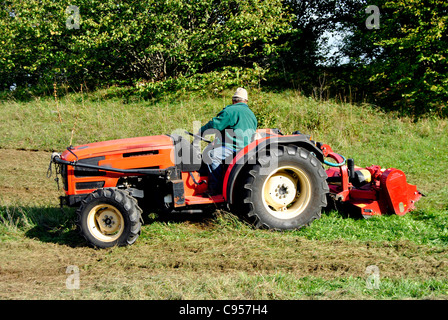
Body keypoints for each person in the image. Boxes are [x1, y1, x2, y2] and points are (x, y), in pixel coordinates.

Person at [197, 87, 257, 194]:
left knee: (211, 155)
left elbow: (214, 125)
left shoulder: (230, 111)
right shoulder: (251, 115)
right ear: (246, 101)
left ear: (233, 100)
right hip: (248, 148)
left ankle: (215, 188)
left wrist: (200, 131)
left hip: (235, 149)